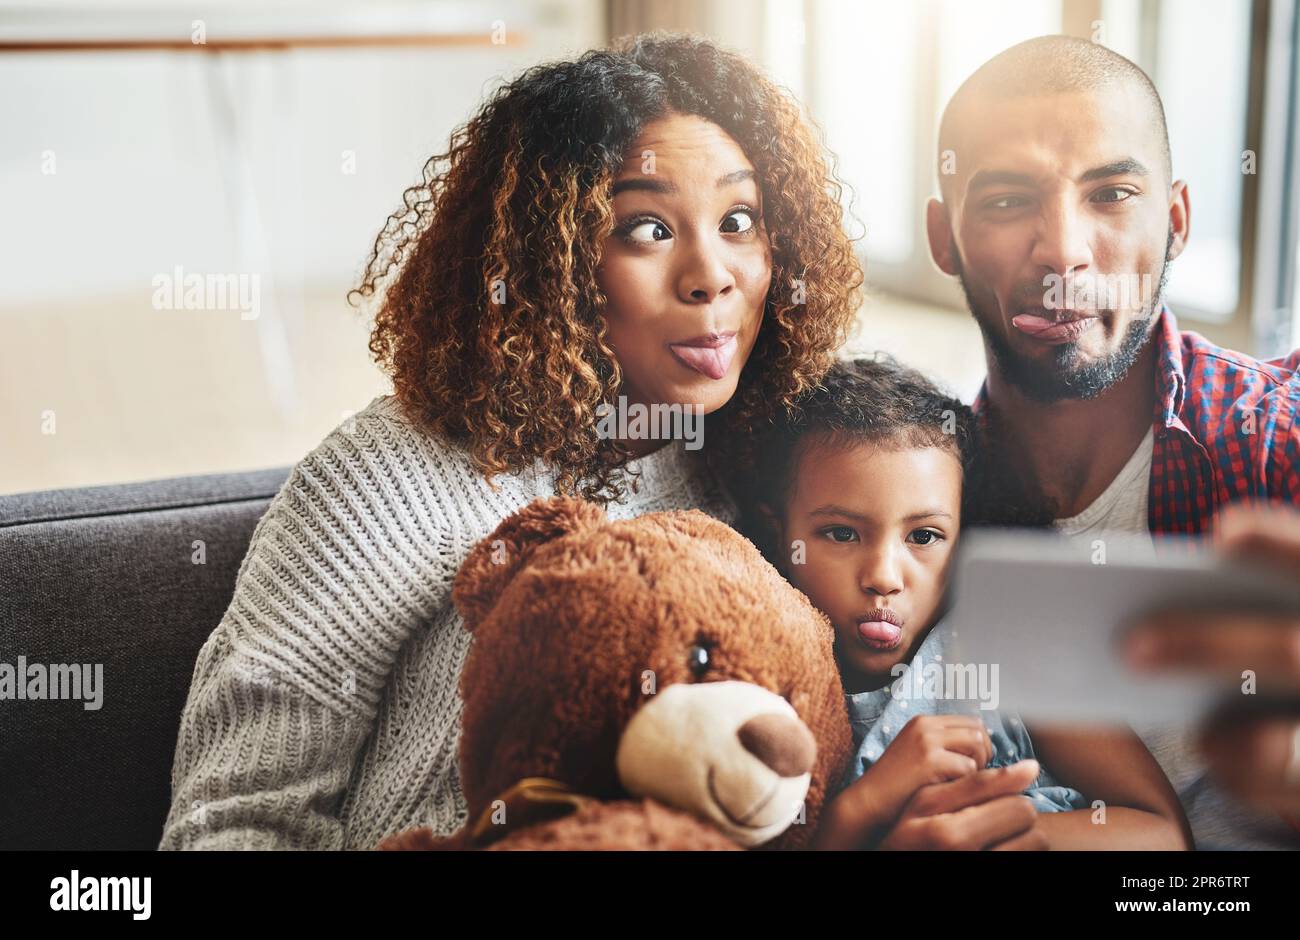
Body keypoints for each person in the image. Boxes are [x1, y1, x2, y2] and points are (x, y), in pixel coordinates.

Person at [158, 32, 863, 849]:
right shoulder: (386, 477)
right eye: (645, 229)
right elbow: (231, 822)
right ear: (547, 259)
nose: (712, 274)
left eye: (739, 220)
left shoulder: (767, 474)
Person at [925, 35, 1300, 847]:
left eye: (1112, 193)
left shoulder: (1280, 446)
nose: (1062, 252)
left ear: (1175, 222)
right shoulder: (911, 504)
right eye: (1003, 201)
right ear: (943, 239)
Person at [729, 357, 1190, 850]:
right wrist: (860, 808)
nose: (884, 576)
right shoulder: (767, 695)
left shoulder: (1008, 649)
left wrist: (1003, 835)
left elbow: (1163, 832)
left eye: (924, 536)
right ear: (779, 536)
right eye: (841, 534)